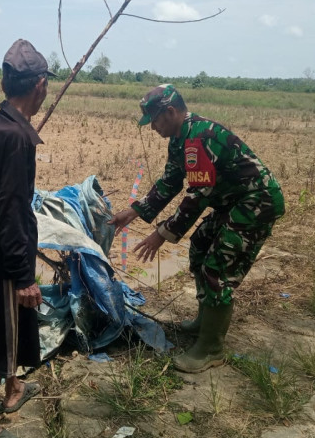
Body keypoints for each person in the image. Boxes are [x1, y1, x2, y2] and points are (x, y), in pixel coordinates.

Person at [108, 84, 284, 373]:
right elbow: (169, 182)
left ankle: (211, 348)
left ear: (170, 112)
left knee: (218, 266)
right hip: (232, 202)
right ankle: (205, 320)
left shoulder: (200, 138)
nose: (152, 127)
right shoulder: (180, 139)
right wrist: (133, 211)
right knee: (201, 242)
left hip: (256, 202)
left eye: (154, 120)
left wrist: (161, 234)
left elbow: (198, 195)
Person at [0, 39, 55, 438]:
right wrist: (23, 276)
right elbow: (10, 210)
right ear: (39, 86)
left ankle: (14, 388)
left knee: (13, 330)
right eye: (46, 86)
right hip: (8, 260)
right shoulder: (17, 137)